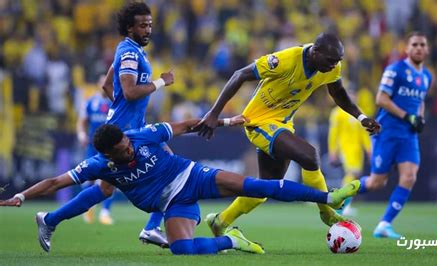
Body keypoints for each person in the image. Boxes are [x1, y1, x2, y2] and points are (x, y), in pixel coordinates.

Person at [0, 117, 360, 255]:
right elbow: (54, 180)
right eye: (123, 150)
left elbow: (186, 125)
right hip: (172, 205)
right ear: (109, 154)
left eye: (128, 143)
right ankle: (231, 240)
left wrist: (228, 119)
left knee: (254, 185)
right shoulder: (99, 165)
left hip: (191, 176)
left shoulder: (142, 135)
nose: (130, 149)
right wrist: (20, 195)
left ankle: (328, 196)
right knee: (181, 250)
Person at [197, 32, 380, 237]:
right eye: (330, 61)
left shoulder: (331, 66)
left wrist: (362, 117)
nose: (333, 66)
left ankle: (220, 221)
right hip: (259, 122)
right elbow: (240, 74)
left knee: (266, 187)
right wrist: (213, 113)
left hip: (283, 123)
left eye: (338, 61)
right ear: (315, 52)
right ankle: (327, 211)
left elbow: (338, 93)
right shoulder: (285, 60)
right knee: (309, 155)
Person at [34, 2, 174, 252]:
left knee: (106, 188)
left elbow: (108, 85)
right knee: (170, 168)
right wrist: (161, 82)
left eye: (150, 25)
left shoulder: (132, 50)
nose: (148, 30)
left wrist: (118, 110)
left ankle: (50, 219)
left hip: (126, 126)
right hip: (124, 133)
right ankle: (152, 227)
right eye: (143, 26)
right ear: (129, 28)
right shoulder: (130, 52)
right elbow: (130, 92)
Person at [357, 32, 432, 239]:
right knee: (376, 182)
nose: (418, 48)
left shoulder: (427, 76)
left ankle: (384, 224)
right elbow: (381, 99)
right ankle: (342, 196)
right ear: (406, 49)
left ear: (427, 50)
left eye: (422, 45)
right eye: (414, 44)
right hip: (388, 131)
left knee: (409, 177)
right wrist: (408, 116)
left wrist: (420, 118)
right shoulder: (395, 70)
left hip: (409, 135)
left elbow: (421, 100)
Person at [76, 75, 114, 225]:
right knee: (88, 177)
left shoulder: (115, 101)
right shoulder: (90, 102)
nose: (105, 85)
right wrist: (81, 135)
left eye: (108, 82)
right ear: (99, 85)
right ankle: (88, 208)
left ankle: (105, 212)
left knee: (111, 178)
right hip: (93, 146)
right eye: (103, 82)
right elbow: (81, 121)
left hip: (110, 147)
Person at [328, 88, 371, 216]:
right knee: (351, 174)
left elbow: (364, 133)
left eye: (354, 94)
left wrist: (369, 149)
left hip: (357, 151)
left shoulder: (359, 112)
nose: (353, 97)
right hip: (345, 148)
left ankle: (345, 204)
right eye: (350, 95)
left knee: (355, 175)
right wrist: (333, 151)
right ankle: (341, 204)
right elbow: (333, 133)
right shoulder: (337, 113)